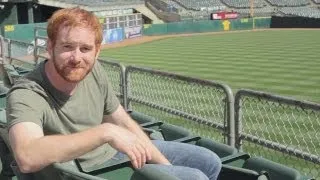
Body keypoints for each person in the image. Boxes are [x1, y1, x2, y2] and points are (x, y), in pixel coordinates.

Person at [6, 7, 222, 180]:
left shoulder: (92, 70)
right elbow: (27, 155)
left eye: (85, 49)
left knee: (210, 161)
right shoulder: (27, 92)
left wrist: (164, 167)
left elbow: (122, 121)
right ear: (50, 47)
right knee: (195, 177)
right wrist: (105, 132)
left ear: (97, 51)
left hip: (114, 152)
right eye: (67, 47)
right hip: (84, 171)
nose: (76, 57)